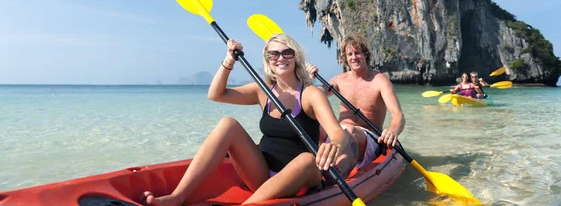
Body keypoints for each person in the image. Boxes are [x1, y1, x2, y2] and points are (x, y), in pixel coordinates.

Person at [142, 34, 351, 206]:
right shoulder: (263, 91)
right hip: (261, 174)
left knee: (306, 158)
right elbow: (216, 94)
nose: (281, 58)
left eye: (287, 52)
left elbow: (338, 133)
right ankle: (177, 197)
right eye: (274, 54)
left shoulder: (310, 94)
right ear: (268, 60)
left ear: (295, 57)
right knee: (227, 124)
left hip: (302, 178)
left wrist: (334, 146)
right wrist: (229, 60)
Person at [305, 34, 406, 176]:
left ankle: (333, 176)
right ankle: (309, 167)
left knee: (350, 131)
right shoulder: (340, 80)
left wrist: (393, 130)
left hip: (368, 138)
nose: (353, 57)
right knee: (312, 123)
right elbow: (313, 95)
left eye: (357, 52)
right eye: (349, 54)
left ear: (365, 54)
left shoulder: (380, 81)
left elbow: (398, 115)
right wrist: (308, 80)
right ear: (345, 58)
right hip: (339, 135)